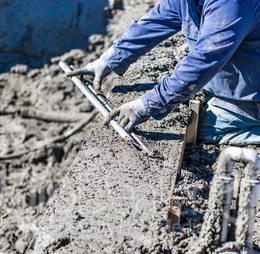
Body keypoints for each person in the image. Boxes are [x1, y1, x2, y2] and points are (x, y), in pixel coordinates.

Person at [67, 0, 260, 145]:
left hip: (252, 99)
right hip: (231, 86)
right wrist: (108, 59)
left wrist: (146, 105)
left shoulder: (232, 5)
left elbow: (203, 61)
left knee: (201, 131)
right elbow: (155, 22)